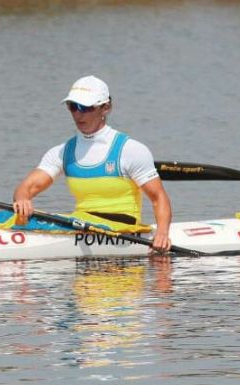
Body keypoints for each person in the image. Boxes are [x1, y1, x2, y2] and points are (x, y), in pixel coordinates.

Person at [13, 75, 172, 252]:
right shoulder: (62, 152)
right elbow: (27, 187)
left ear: (106, 108)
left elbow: (158, 198)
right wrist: (22, 199)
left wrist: (163, 234)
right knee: (6, 216)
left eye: (85, 107)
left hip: (122, 228)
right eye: (73, 107)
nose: (78, 114)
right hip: (81, 223)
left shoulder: (130, 150)